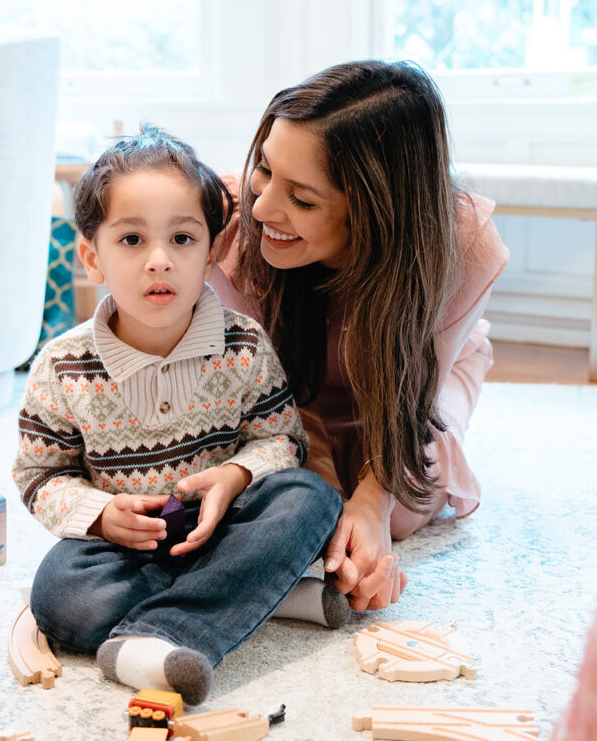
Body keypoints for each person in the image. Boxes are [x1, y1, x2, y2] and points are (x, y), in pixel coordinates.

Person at [12, 124, 344, 706]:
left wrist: (234, 476)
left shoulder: (243, 343)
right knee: (59, 596)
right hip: (126, 552)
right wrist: (100, 514)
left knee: (310, 498)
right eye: (132, 241)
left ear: (213, 251)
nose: (160, 260)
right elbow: (39, 476)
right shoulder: (62, 367)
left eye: (183, 239)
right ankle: (259, 590)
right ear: (92, 257)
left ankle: (162, 635)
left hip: (226, 525)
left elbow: (283, 442)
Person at [210, 60, 510, 615]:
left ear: (377, 211)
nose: (263, 207)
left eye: (302, 199)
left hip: (408, 384)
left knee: (403, 506)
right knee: (286, 494)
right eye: (265, 170)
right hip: (288, 392)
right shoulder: (226, 218)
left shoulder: (462, 243)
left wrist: (371, 505)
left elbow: (411, 405)